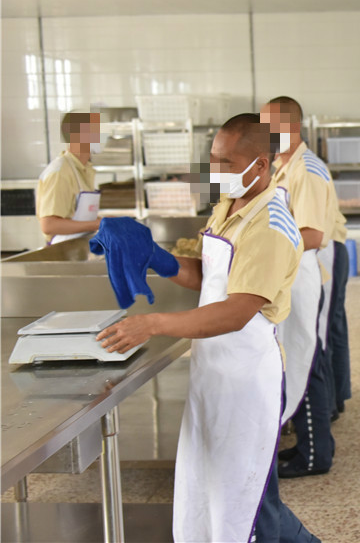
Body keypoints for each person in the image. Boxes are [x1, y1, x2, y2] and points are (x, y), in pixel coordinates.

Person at [97, 114, 319, 543]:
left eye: (225, 162)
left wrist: (153, 324)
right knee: (229, 491)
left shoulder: (270, 225)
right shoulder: (229, 203)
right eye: (212, 158)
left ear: (260, 164)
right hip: (213, 370)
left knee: (246, 501)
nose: (214, 170)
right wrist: (157, 257)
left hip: (245, 378)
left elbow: (236, 311)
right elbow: (211, 275)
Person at [260, 96, 345, 479]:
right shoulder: (283, 166)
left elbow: (311, 234)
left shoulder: (306, 170)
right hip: (295, 269)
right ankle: (315, 441)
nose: (266, 133)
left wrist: (266, 247)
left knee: (307, 354)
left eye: (271, 126)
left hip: (310, 269)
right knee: (307, 352)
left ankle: (315, 452)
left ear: (291, 126)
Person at [36, 111, 103, 244]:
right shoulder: (59, 172)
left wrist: (104, 220)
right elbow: (49, 225)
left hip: (78, 245)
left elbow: (73, 215)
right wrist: (98, 224)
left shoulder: (83, 169)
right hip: (62, 249)